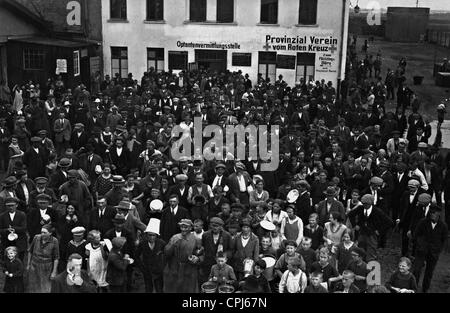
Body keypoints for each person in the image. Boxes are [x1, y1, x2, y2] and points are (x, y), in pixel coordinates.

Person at [412, 204, 448, 293]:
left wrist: (438, 249)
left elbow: (444, 239)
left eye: (434, 213)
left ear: (438, 214)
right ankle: (413, 288)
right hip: (421, 250)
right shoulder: (423, 222)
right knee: (416, 270)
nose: (432, 214)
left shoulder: (443, 226)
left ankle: (425, 289)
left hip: (433, 252)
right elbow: (416, 235)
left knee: (429, 272)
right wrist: (420, 244)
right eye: (430, 212)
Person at [163, 219, 200, 293]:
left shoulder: (196, 239)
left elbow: (201, 253)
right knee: (174, 289)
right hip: (175, 268)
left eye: (185, 227)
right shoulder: (175, 237)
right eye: (181, 227)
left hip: (189, 269)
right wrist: (172, 244)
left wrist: (197, 258)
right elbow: (166, 253)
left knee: (188, 289)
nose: (183, 229)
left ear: (190, 228)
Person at [135, 218, 166, 293]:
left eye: (154, 235)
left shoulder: (161, 243)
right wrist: (142, 268)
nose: (152, 237)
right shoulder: (142, 244)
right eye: (150, 235)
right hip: (147, 271)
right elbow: (136, 256)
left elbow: (166, 255)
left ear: (157, 236)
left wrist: (163, 266)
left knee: (159, 289)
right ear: (146, 235)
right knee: (148, 289)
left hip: (158, 271)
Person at [27, 224, 60, 293]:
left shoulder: (54, 241)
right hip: (34, 265)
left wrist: (54, 272)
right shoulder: (36, 238)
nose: (42, 234)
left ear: (50, 233)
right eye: (41, 232)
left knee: (45, 286)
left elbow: (56, 258)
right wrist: (28, 264)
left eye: (45, 233)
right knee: (33, 285)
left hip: (47, 267)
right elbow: (30, 251)